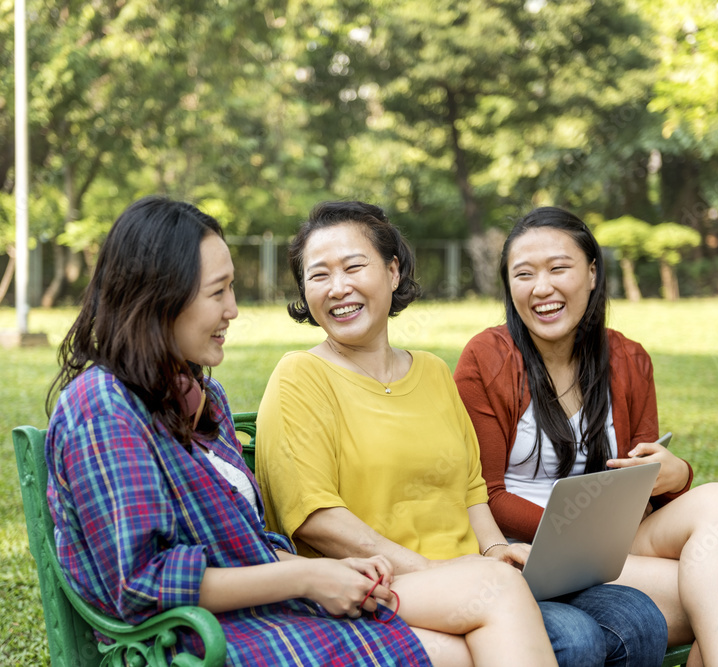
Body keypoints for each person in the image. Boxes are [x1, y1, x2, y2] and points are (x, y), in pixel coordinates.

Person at [44, 195, 559, 667]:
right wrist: (309, 574)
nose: (233, 310)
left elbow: (249, 537)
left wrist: (333, 575)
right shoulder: (102, 406)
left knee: (489, 596)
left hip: (270, 606)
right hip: (194, 639)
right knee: (485, 608)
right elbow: (144, 583)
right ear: (160, 297)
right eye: (217, 292)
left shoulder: (197, 393)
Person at [256, 200, 668, 667]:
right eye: (318, 275)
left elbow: (472, 490)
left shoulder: (431, 371)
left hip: (478, 573)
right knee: (574, 638)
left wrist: (495, 552)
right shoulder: (299, 376)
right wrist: (440, 571)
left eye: (354, 266)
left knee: (638, 619)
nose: (339, 288)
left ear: (393, 272)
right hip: (384, 582)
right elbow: (316, 520)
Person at [453, 206, 718, 666]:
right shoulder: (487, 357)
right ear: (509, 285)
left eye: (559, 268)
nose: (542, 288)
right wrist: (574, 536)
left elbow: (645, 483)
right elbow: (486, 491)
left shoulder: (628, 358)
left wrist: (674, 475)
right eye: (524, 274)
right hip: (527, 551)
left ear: (593, 273)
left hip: (614, 545)